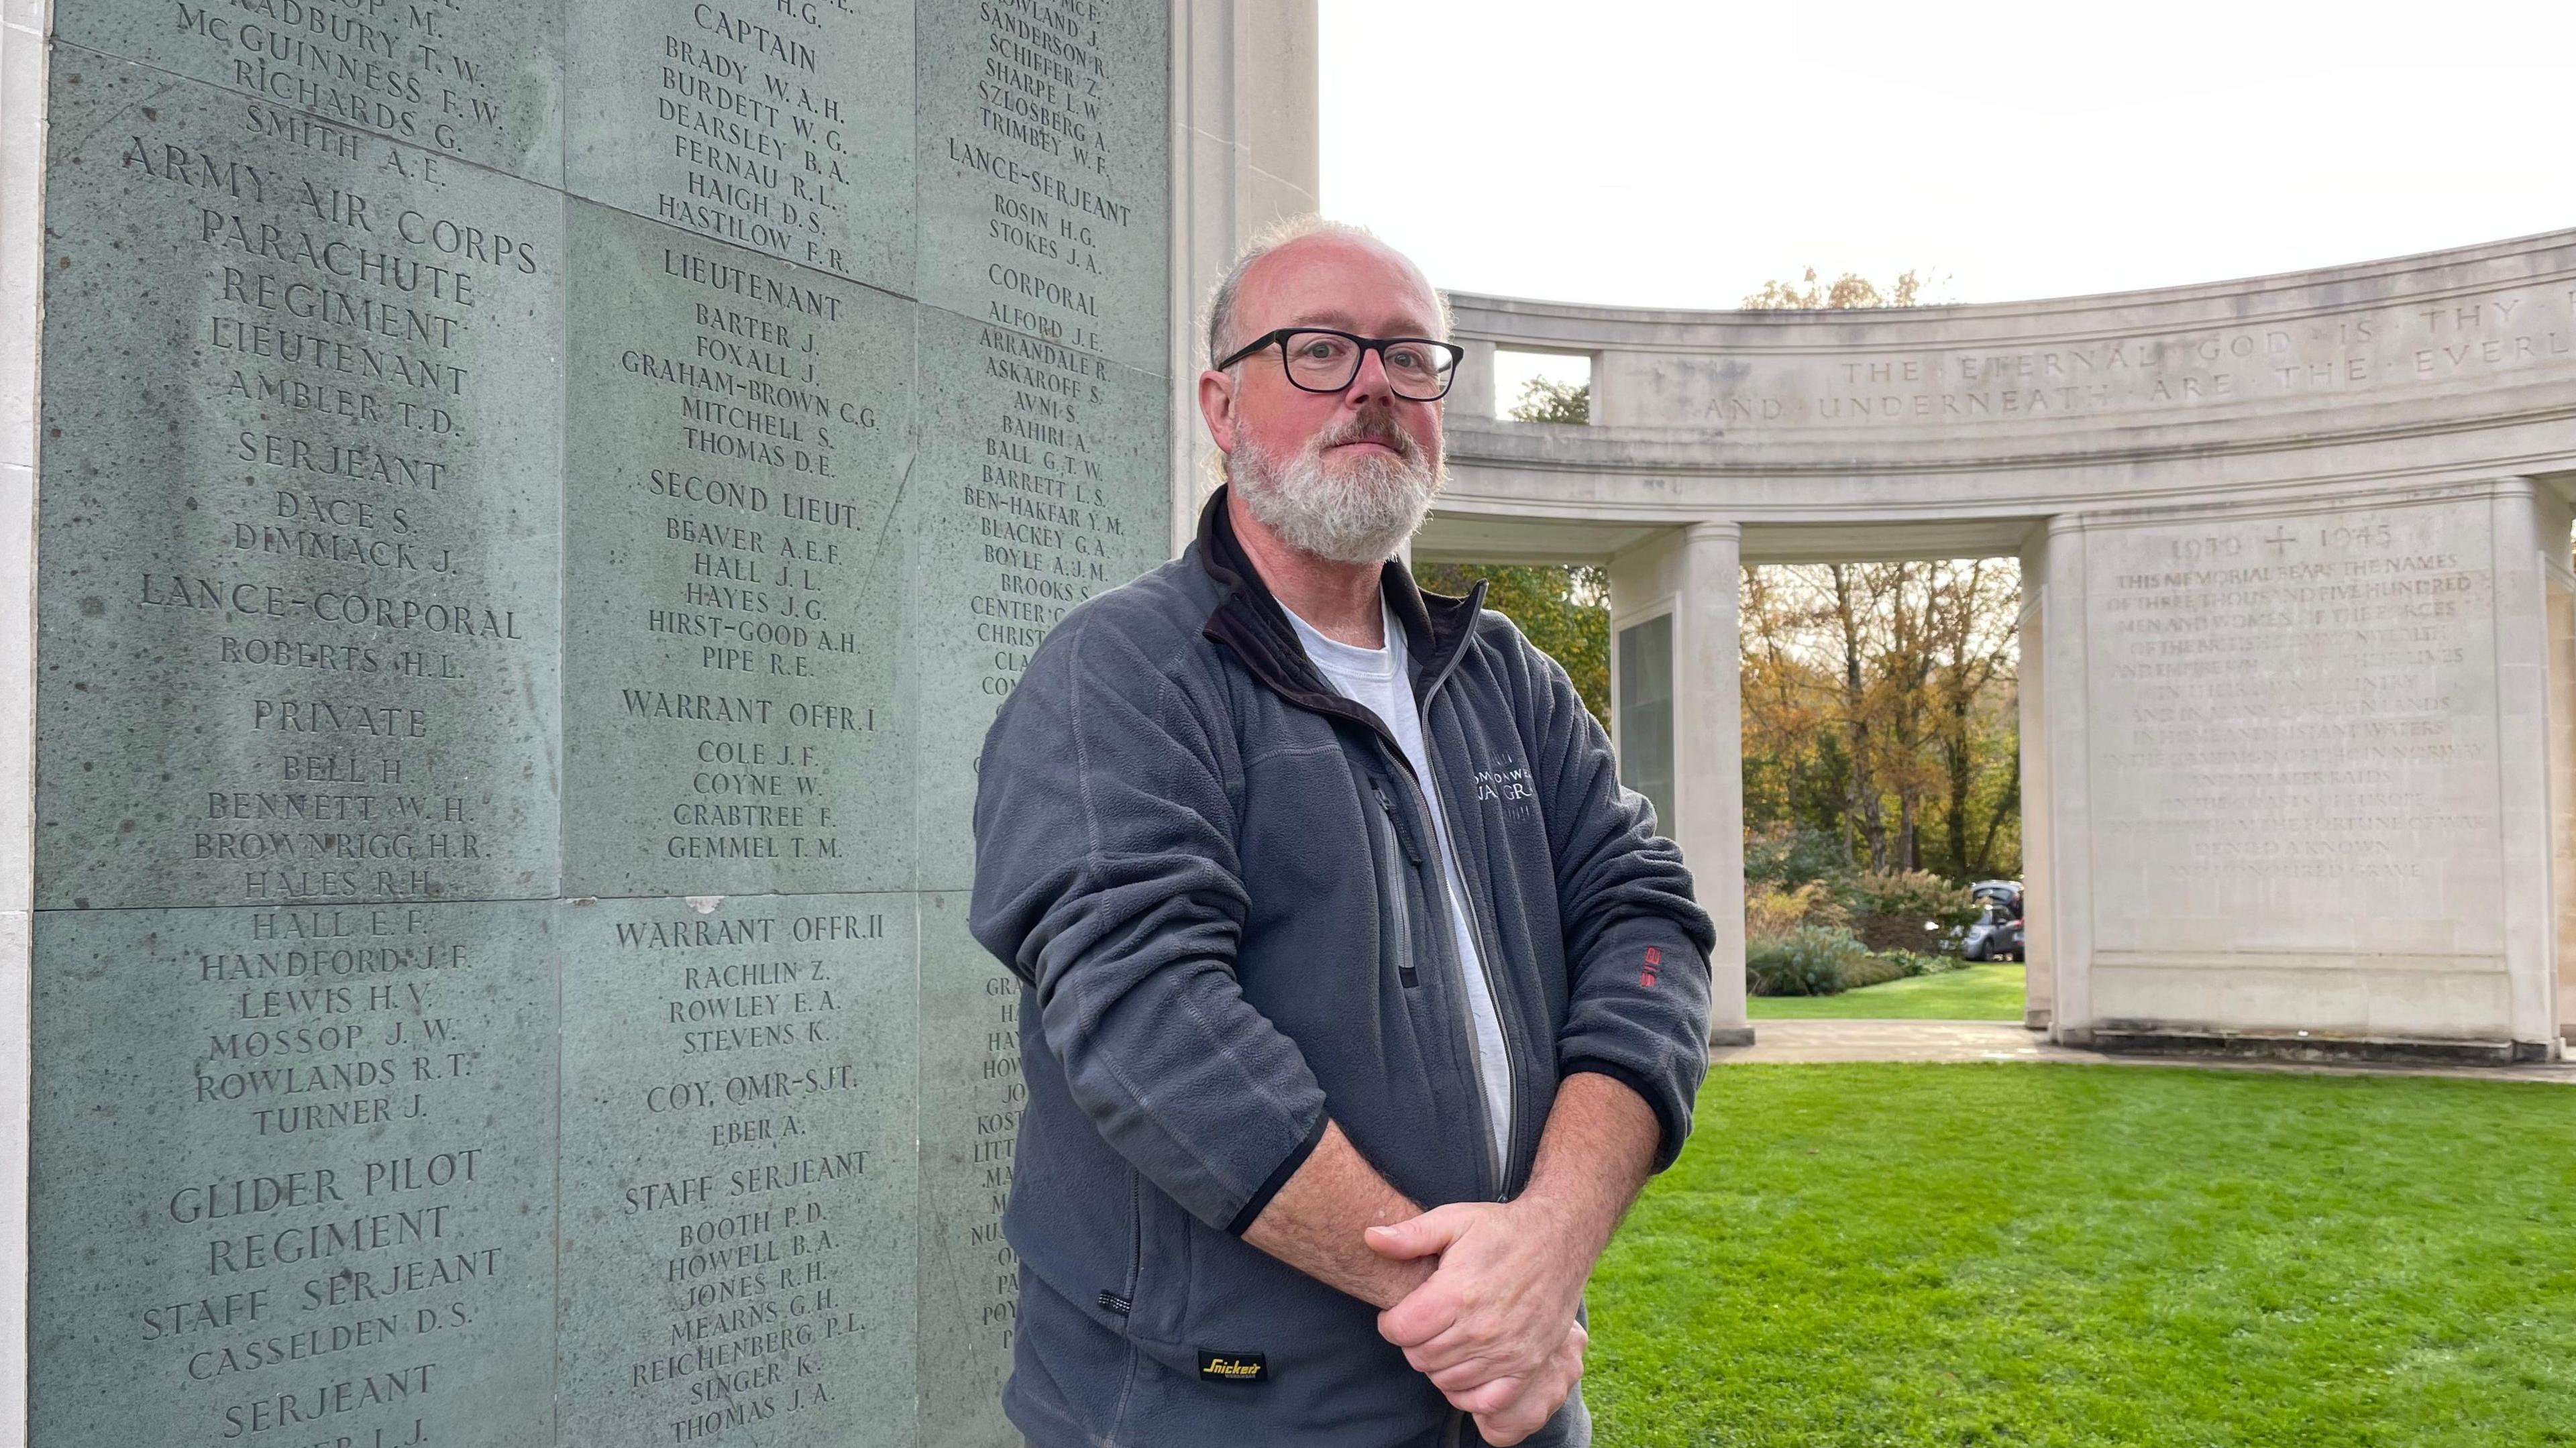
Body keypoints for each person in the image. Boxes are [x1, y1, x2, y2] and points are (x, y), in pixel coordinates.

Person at [969, 217, 1716, 1448]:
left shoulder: (1505, 681)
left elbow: (1650, 932)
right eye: (1320, 350)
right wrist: (1455, 1302)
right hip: (1218, 1415)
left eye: (1410, 356)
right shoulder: (1120, 675)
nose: (1373, 385)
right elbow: (1150, 1020)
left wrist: (1547, 1250)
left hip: (1503, 1399)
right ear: (1221, 404)